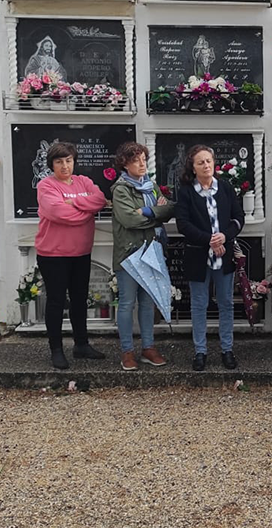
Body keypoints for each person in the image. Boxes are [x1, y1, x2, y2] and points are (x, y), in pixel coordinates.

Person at [35, 142, 108, 370]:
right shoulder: (46, 186)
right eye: (59, 161)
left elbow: (100, 200)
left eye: (68, 160)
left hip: (81, 252)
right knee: (56, 301)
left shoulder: (84, 182)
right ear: (52, 164)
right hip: (53, 254)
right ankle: (56, 349)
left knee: (79, 299)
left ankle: (81, 344)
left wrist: (74, 202)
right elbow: (60, 213)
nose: (64, 165)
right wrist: (85, 212)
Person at [175, 145, 245, 372]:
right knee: (199, 304)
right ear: (193, 168)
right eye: (200, 162)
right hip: (198, 255)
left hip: (223, 256)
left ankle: (227, 349)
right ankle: (200, 351)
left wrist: (224, 237)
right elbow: (183, 224)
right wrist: (210, 240)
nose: (206, 165)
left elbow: (238, 217)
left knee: (225, 303)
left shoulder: (225, 188)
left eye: (208, 161)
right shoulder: (186, 191)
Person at [111, 141, 174, 371]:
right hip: (130, 253)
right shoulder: (120, 189)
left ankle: (148, 347)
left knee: (148, 303)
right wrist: (157, 213)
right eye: (135, 160)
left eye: (143, 159)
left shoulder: (151, 185)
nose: (141, 164)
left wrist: (148, 211)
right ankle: (127, 351)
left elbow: (169, 208)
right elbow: (129, 220)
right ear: (125, 164)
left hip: (151, 251)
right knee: (127, 303)